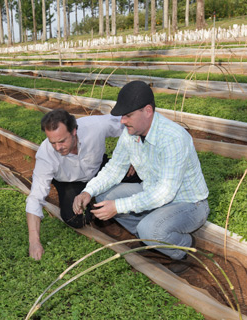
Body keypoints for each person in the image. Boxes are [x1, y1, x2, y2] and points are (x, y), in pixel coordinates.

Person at [73, 80, 210, 274]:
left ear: (147, 111)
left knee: (149, 228)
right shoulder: (131, 133)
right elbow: (114, 168)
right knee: (104, 197)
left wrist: (119, 207)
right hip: (152, 192)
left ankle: (182, 249)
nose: (122, 121)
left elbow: (165, 193)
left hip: (188, 204)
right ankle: (151, 239)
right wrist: (88, 191)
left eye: (128, 115)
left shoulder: (173, 138)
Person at [26, 109, 132, 260]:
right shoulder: (46, 155)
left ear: (74, 131)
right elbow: (35, 198)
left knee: (136, 174)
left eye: (62, 141)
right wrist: (34, 242)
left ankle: (102, 199)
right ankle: (95, 201)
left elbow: (128, 123)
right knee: (75, 218)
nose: (57, 147)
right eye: (52, 142)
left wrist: (134, 154)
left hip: (99, 170)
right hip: (70, 182)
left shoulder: (94, 126)